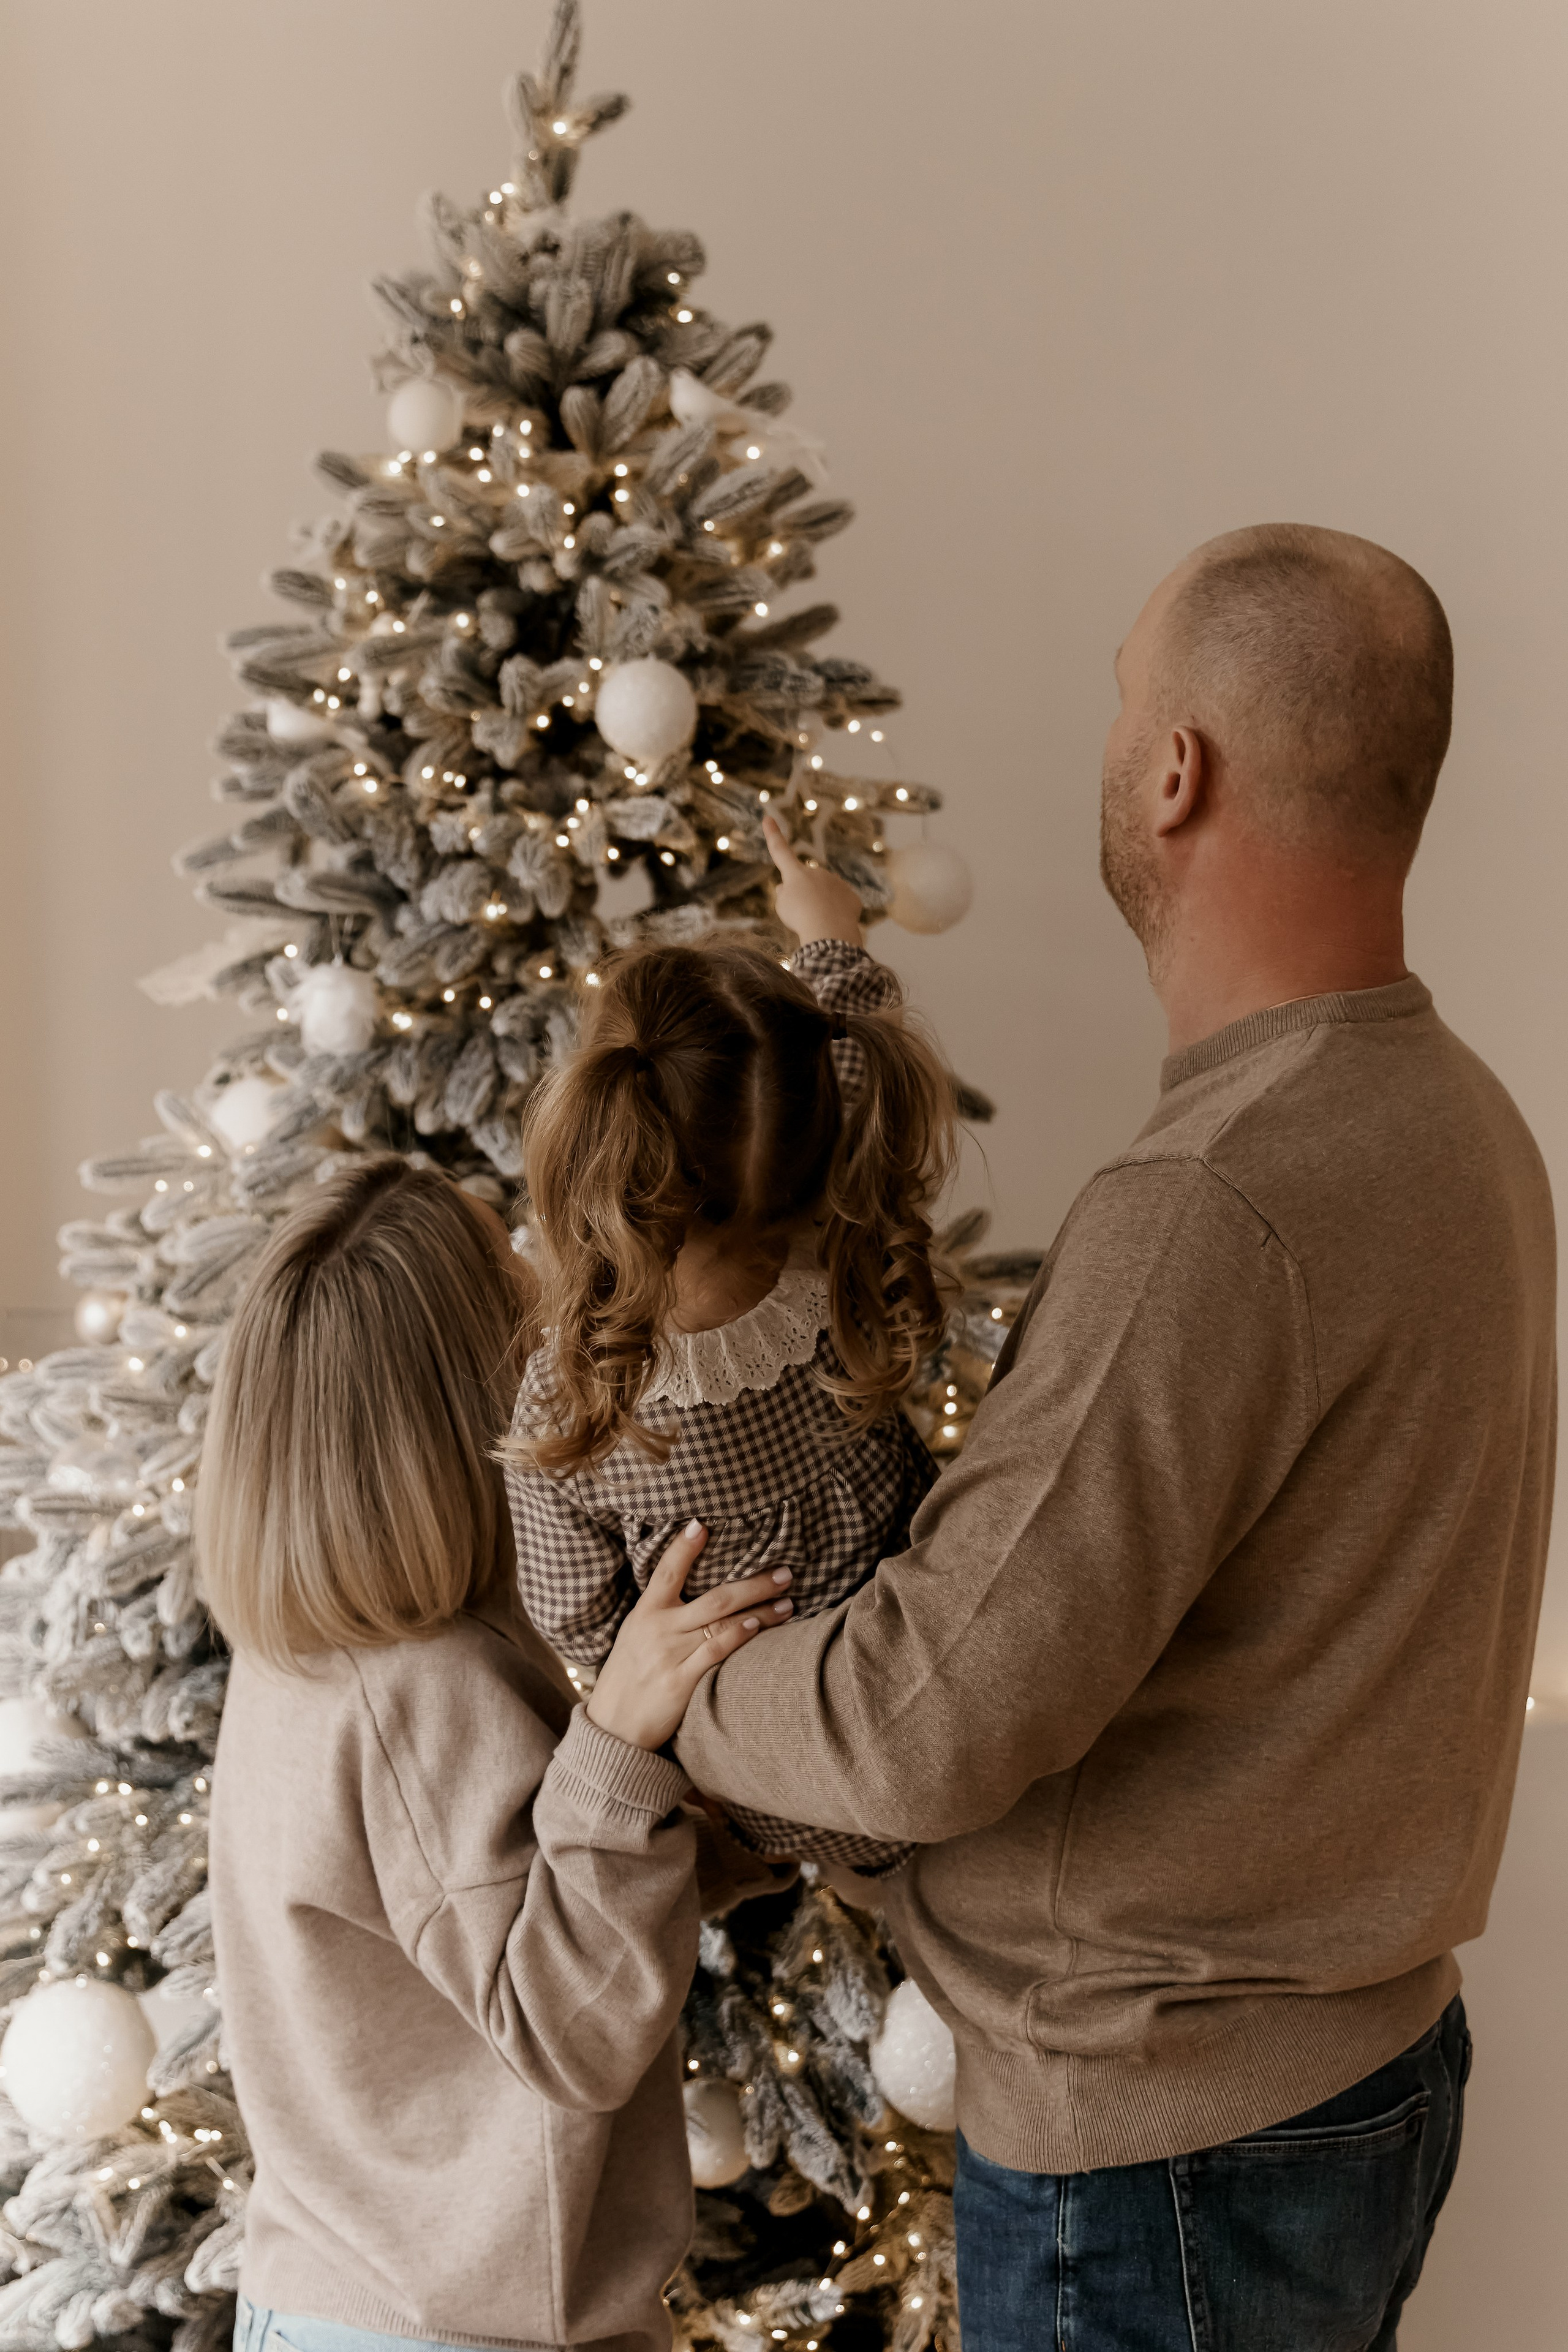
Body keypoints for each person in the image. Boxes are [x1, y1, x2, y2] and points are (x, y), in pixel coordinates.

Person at [675, 524, 1558, 2349]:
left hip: (1169, 2157)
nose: (1108, 745)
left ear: (1179, 771)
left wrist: (651, 1677)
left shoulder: (1214, 1199)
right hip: (1361, 2073)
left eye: (1119, 704)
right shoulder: (1468, 1126)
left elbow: (925, 1721)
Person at [200, 1156, 793, 2352]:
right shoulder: (425, 1694)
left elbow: (477, 1925)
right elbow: (563, 2024)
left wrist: (712, 1835)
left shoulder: (295, 1658)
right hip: (453, 2325)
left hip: (330, 2295)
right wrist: (619, 1740)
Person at [505, 851, 954, 1877]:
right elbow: (849, 1047)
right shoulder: (846, 1228)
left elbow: (577, 1616)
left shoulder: (574, 1394)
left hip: (767, 1793)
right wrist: (829, 935)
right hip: (932, 1709)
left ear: (601, 1134)